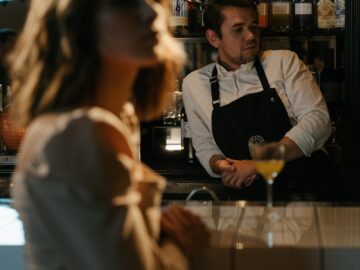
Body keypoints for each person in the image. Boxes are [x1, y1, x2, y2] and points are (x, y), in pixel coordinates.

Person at [9, 0, 209, 269]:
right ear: (77, 23)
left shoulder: (111, 118)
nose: (152, 12)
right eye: (124, 4)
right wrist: (178, 243)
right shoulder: (82, 132)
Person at [182, 0, 333, 200]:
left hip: (301, 196)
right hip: (245, 203)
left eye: (254, 27)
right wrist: (221, 166)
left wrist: (258, 164)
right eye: (238, 30)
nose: (251, 36)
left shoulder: (283, 62)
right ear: (213, 38)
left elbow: (318, 122)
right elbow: (204, 145)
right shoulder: (194, 84)